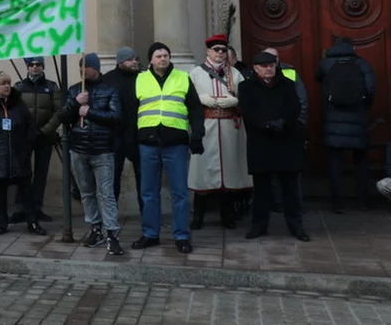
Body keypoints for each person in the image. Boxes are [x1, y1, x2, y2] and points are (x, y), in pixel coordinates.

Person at [131, 42, 205, 254]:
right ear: (151, 60)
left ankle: (181, 235)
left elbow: (195, 109)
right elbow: (131, 112)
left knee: (180, 193)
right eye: (158, 56)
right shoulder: (140, 79)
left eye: (166, 55)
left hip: (176, 144)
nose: (163, 59)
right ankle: (150, 234)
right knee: (148, 192)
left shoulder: (182, 78)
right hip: (148, 144)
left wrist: (197, 135)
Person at [237, 51, 309, 241]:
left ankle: (296, 226)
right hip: (261, 142)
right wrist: (265, 124)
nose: (268, 69)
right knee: (261, 189)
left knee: (290, 189)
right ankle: (259, 226)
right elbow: (247, 110)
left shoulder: (287, 84)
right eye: (264, 66)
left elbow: (295, 107)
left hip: (286, 141)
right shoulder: (246, 87)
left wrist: (282, 123)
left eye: (271, 65)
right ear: (255, 68)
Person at [60, 54, 124, 255]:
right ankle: (95, 228)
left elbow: (116, 117)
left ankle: (112, 233)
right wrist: (75, 103)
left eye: (87, 66)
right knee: (86, 192)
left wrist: (90, 112)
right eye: (81, 66)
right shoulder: (74, 90)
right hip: (79, 149)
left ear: (96, 68)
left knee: (105, 194)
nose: (83, 70)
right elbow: (64, 117)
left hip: (102, 150)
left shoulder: (110, 90)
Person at [0, 71, 46, 235]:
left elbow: (30, 124)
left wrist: (27, 143)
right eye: (3, 83)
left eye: (8, 83)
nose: (7, 86)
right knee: (0, 191)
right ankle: (2, 223)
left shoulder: (18, 104)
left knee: (26, 190)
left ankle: (32, 222)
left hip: (19, 154)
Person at [188, 35, 251, 230]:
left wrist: (237, 101)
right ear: (208, 51)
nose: (220, 53)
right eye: (216, 49)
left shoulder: (235, 74)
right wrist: (200, 99)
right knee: (203, 172)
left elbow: (247, 98)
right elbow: (187, 100)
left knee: (230, 171)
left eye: (223, 50)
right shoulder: (196, 73)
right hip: (206, 127)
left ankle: (227, 215)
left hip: (229, 128)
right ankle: (198, 216)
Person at [317, 36, 376, 213]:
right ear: (353, 47)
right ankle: (364, 201)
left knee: (335, 162)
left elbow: (318, 78)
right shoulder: (362, 64)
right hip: (357, 117)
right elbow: (371, 88)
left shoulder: (326, 63)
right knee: (360, 160)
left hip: (333, 117)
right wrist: (365, 107)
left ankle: (337, 203)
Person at [13, 57, 62, 223]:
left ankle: (36, 208)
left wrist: (45, 130)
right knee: (22, 172)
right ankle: (20, 208)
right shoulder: (19, 87)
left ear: (43, 67)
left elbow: (58, 112)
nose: (35, 67)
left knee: (41, 174)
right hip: (24, 137)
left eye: (38, 64)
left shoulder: (51, 86)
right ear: (27, 67)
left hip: (45, 136)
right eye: (31, 65)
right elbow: (14, 111)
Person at [102, 47, 142, 215]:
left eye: (136, 59)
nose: (135, 62)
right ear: (120, 62)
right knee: (112, 180)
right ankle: (111, 218)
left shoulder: (144, 78)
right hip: (115, 136)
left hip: (139, 135)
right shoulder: (108, 80)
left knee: (143, 180)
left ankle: (146, 216)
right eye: (130, 59)